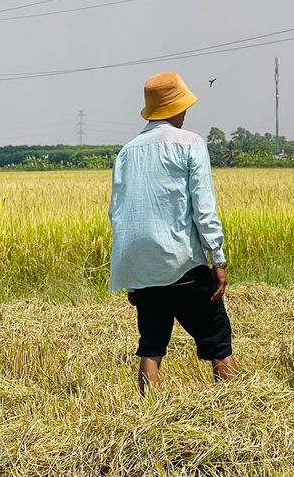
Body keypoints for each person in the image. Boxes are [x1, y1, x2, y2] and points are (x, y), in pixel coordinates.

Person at [109, 72, 236, 394]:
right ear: (177, 108)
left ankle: (148, 415)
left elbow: (119, 213)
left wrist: (132, 273)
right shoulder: (189, 143)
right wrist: (218, 260)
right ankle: (236, 410)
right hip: (182, 262)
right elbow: (203, 208)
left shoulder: (127, 151)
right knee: (218, 340)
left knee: (151, 345)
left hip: (142, 265)